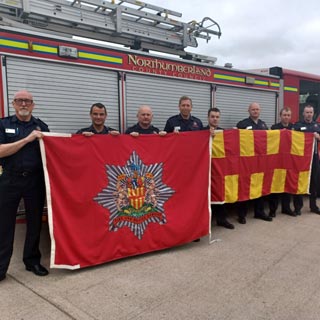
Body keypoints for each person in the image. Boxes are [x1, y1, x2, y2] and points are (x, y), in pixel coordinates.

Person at [0, 90, 49, 281]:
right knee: (4, 225)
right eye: (20, 100)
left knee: (35, 223)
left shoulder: (41, 126)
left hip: (34, 181)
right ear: (13, 104)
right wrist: (27, 139)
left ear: (33, 105)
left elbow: (55, 150)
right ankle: (1, 267)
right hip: (9, 180)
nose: (23, 104)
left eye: (27, 101)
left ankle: (32, 261)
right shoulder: (3, 124)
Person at [236, 102, 272, 224]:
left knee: (260, 186)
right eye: (253, 109)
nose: (255, 111)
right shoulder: (242, 124)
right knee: (244, 187)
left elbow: (269, 140)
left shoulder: (263, 124)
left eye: (257, 109)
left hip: (260, 162)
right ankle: (241, 215)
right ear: (249, 110)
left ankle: (259, 212)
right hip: (246, 161)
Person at [206, 108, 234, 229]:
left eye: (217, 117)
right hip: (205, 168)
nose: (215, 119)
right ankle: (205, 222)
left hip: (219, 169)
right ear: (208, 118)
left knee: (220, 192)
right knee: (205, 196)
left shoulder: (223, 132)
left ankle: (222, 219)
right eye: (212, 116)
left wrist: (234, 134)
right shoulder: (201, 130)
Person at [268, 107, 299, 217]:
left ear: (290, 117)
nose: (286, 117)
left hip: (289, 162)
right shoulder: (274, 128)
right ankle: (272, 210)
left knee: (287, 185)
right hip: (277, 162)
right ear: (280, 116)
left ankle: (286, 208)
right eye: (284, 115)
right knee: (275, 185)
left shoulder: (294, 128)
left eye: (288, 115)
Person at [293, 105, 320, 214]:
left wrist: (318, 137)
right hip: (301, 159)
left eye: (310, 112)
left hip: (314, 158)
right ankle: (297, 208)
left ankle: (313, 206)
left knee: (314, 181)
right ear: (303, 113)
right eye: (307, 112)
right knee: (299, 182)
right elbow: (292, 139)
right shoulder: (297, 126)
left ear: (313, 113)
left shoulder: (317, 126)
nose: (309, 114)